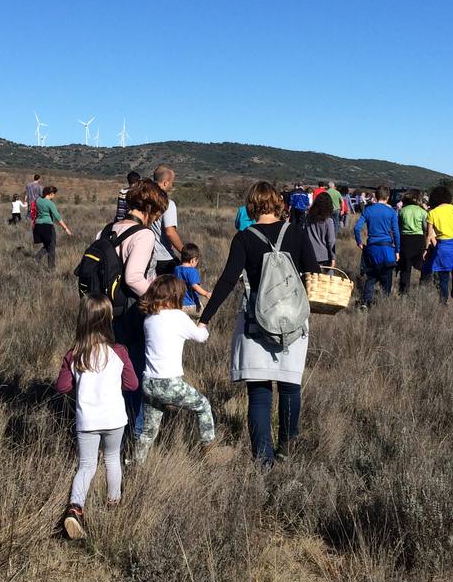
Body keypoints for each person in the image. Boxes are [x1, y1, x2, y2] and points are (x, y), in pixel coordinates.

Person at [199, 182, 320, 466]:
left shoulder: (244, 238)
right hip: (293, 323)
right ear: (278, 203)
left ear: (251, 205)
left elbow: (228, 280)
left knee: (259, 393)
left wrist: (205, 318)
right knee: (290, 387)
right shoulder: (297, 233)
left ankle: (263, 460)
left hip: (256, 324)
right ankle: (286, 451)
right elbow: (313, 274)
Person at [56, 295, 138, 539]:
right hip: (114, 419)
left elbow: (61, 387)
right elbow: (132, 384)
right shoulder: (119, 352)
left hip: (87, 420)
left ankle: (75, 508)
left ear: (83, 320)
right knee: (112, 459)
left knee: (86, 465)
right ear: (109, 319)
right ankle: (114, 504)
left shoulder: (74, 355)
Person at [99, 179, 168, 437]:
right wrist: (161, 300)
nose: (156, 219)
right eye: (157, 213)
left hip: (101, 313)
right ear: (149, 207)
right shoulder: (143, 235)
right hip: (129, 315)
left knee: (107, 374)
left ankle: (105, 431)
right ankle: (131, 436)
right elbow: (133, 278)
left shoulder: (107, 230)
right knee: (133, 376)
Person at [132, 275, 214, 463]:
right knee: (203, 406)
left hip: (148, 383)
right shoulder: (178, 317)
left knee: (148, 431)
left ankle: (136, 465)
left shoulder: (150, 318)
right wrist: (203, 323)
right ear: (175, 295)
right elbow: (201, 337)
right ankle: (210, 450)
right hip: (169, 383)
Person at [354, 186, 400, 307]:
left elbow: (357, 228)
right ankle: (384, 304)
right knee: (387, 277)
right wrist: (397, 250)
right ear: (388, 197)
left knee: (371, 276)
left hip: (372, 248)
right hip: (387, 248)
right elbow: (396, 233)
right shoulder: (391, 212)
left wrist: (359, 242)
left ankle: (366, 302)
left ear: (376, 196)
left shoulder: (368, 210)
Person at [149, 165, 183, 276]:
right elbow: (170, 232)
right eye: (171, 182)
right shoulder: (169, 204)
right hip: (163, 258)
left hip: (145, 255)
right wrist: (184, 252)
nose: (172, 185)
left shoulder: (143, 200)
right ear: (165, 182)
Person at [396, 189, 429, 295]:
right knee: (423, 265)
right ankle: (424, 287)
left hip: (405, 240)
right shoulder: (422, 212)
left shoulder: (402, 211)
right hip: (419, 239)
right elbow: (425, 228)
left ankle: (403, 292)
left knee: (405, 267)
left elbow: (399, 227)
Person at [33, 186, 72, 267]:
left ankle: (37, 258)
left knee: (47, 244)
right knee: (51, 246)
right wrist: (66, 228)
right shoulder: (50, 203)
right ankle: (51, 268)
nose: (54, 196)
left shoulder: (38, 200)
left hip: (38, 226)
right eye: (54, 194)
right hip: (47, 226)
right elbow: (57, 217)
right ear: (50, 194)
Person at [173, 243, 211, 313]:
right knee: (202, 316)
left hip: (178, 304)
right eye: (197, 261)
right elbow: (195, 286)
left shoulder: (176, 269)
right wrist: (206, 293)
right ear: (192, 260)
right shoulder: (192, 271)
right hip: (191, 304)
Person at [304, 189, 337, 269]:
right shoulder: (328, 221)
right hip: (324, 257)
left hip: (309, 255)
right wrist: (333, 257)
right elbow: (331, 241)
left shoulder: (308, 218)